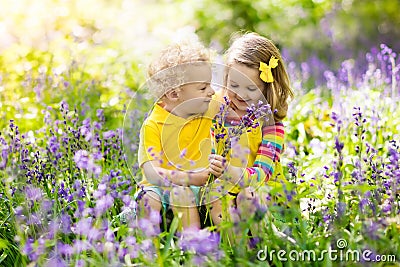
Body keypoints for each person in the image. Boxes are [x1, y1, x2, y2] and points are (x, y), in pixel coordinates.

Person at [135, 35, 225, 231]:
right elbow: (151, 172)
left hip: (199, 186)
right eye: (203, 87)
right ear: (174, 94)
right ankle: (147, 252)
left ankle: (230, 245)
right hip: (161, 188)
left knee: (214, 193)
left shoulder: (207, 106)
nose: (211, 91)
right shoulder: (154, 125)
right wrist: (190, 178)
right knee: (149, 202)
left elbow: (236, 96)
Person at [207, 32, 294, 234]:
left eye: (250, 88)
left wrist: (231, 172)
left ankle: (261, 246)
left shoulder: (271, 125)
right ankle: (235, 249)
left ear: (266, 89)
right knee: (214, 196)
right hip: (224, 186)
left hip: (260, 189)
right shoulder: (216, 105)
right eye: (234, 85)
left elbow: (262, 174)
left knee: (248, 197)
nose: (240, 93)